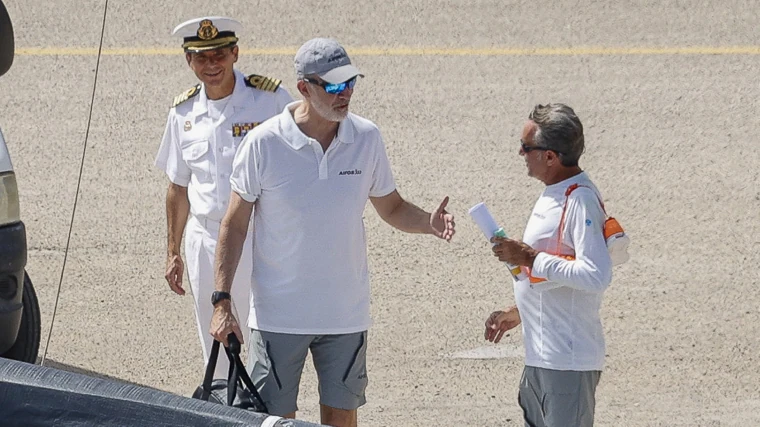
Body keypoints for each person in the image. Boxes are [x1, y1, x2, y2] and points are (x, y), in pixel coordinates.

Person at [209, 37, 456, 426]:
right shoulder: (264, 144)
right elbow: (234, 224)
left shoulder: (367, 138)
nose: (346, 94)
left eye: (351, 83)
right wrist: (222, 300)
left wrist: (429, 222)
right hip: (278, 317)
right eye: (335, 86)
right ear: (305, 88)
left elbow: (390, 206)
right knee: (275, 422)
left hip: (345, 315)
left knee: (342, 419)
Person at [154, 16, 293, 380]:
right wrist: (172, 251)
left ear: (235, 53)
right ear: (189, 61)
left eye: (219, 54)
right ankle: (223, 410)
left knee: (267, 334)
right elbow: (178, 187)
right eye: (201, 57)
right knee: (214, 337)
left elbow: (300, 160)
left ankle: (269, 412)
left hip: (262, 233)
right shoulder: (183, 113)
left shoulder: (270, 100)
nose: (211, 65)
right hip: (207, 239)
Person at [484, 103, 613, 427]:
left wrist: (529, 258)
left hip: (567, 362)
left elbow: (596, 274)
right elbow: (555, 269)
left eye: (527, 147)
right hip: (542, 356)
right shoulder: (554, 193)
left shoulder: (578, 197)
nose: (520, 153)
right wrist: (518, 312)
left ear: (550, 156)